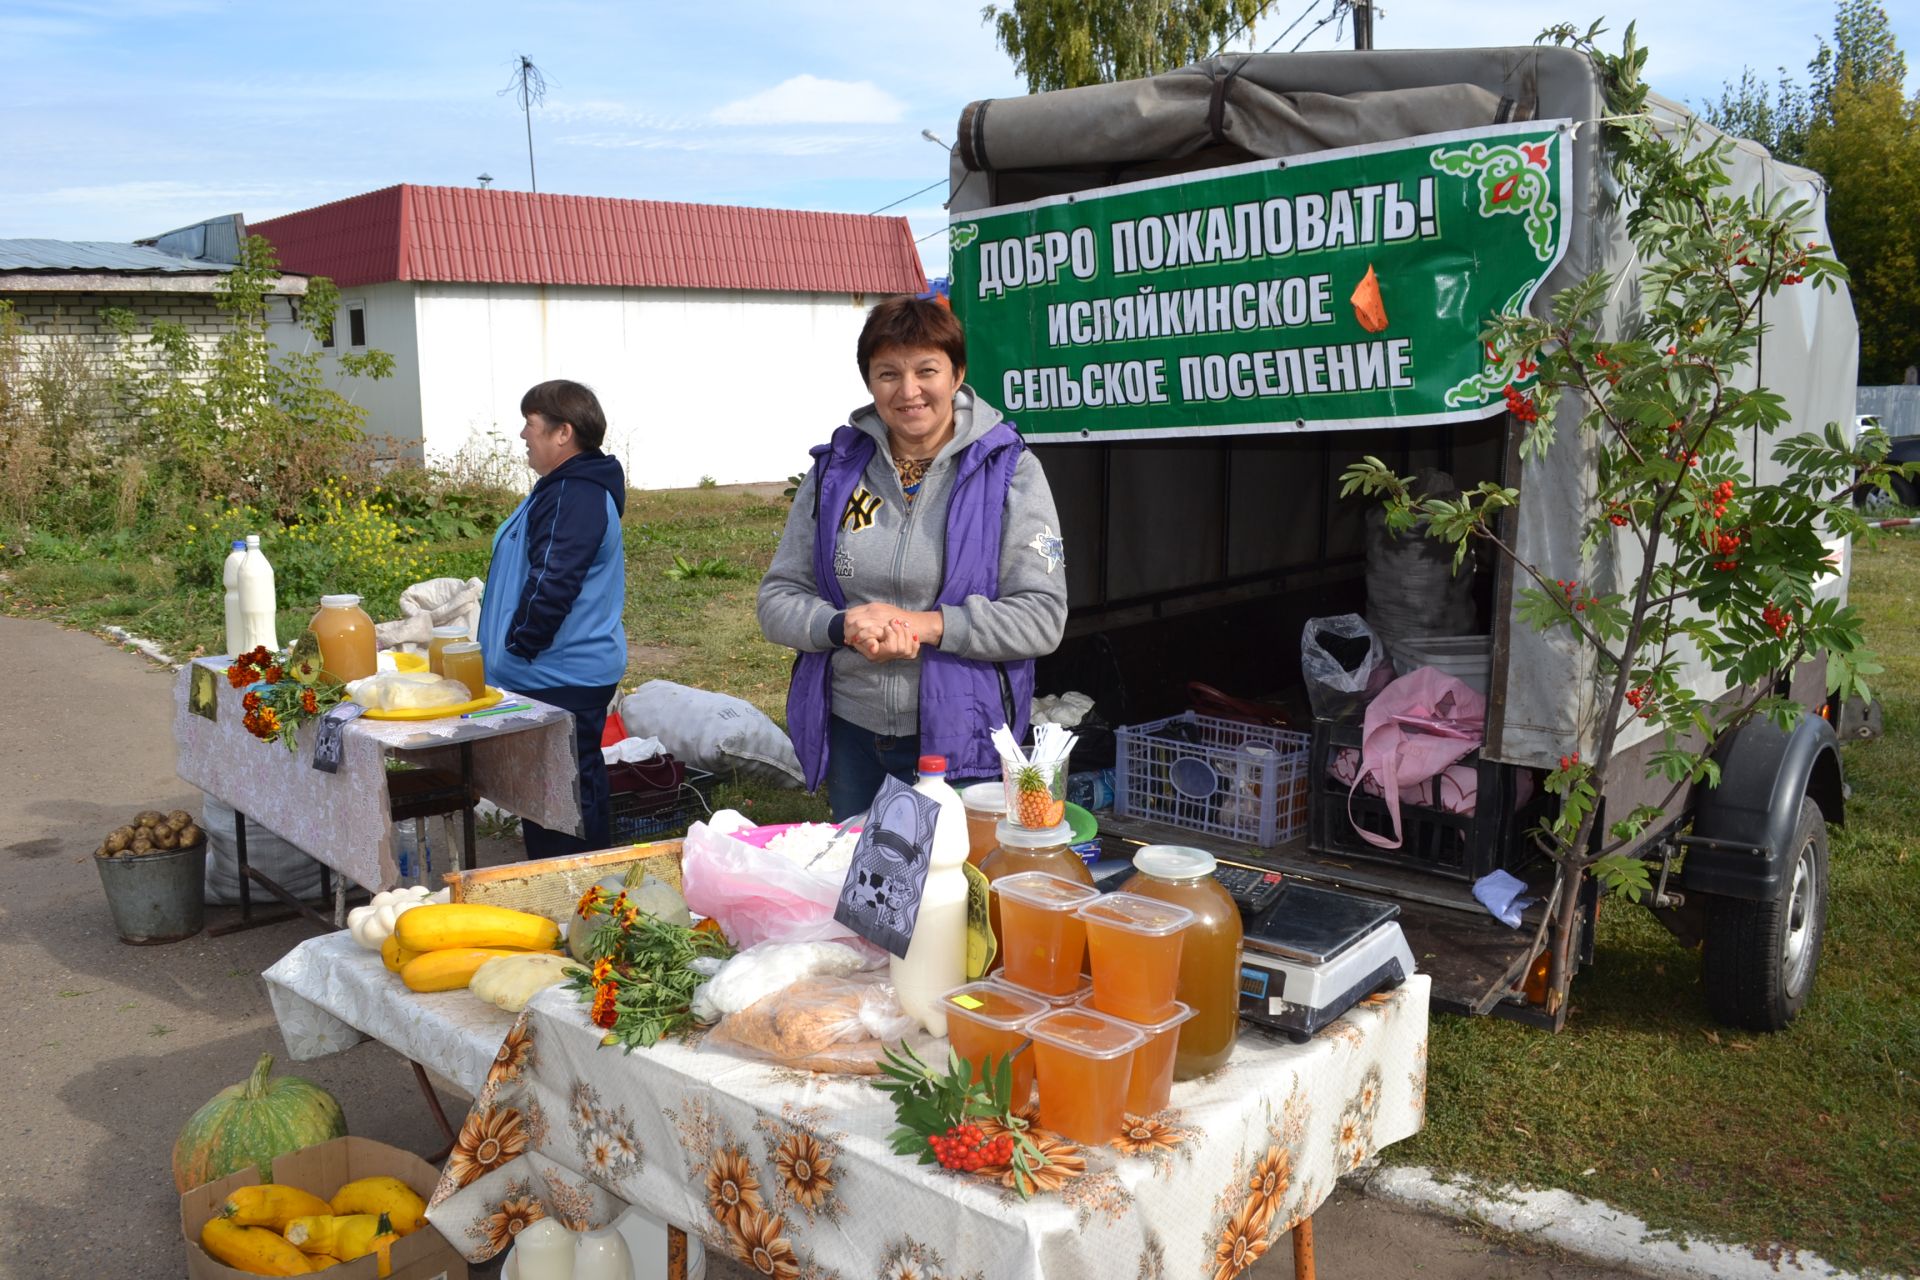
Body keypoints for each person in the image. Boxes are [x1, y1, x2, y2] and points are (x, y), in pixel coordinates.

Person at [758, 296, 1069, 820]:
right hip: (853, 732)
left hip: (963, 738)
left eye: (927, 370)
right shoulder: (835, 472)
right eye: (887, 374)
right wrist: (843, 624)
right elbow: (777, 598)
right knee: (868, 891)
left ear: (958, 373)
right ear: (869, 383)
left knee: (952, 892)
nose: (908, 391)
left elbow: (1042, 617)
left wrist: (921, 625)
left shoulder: (1010, 471)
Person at [477, 380, 628, 857]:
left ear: (563, 432)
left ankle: (570, 895)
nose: (524, 434)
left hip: (558, 673)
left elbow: (553, 581)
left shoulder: (574, 494)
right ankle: (576, 892)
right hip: (551, 670)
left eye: (531, 423)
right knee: (560, 792)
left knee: (561, 801)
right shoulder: (563, 490)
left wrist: (518, 646)